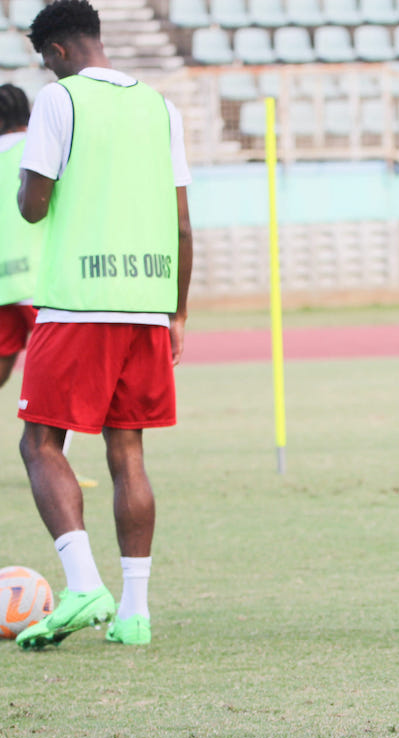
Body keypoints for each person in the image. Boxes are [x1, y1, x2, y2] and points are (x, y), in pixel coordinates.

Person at [13, 0, 193, 649]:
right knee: (127, 453)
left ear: (56, 52)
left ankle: (84, 583)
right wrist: (176, 311)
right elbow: (181, 221)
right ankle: (135, 613)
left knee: (39, 444)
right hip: (146, 303)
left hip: (78, 304)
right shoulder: (160, 107)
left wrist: (24, 191)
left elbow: (34, 206)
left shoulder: (60, 102)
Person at [0, 84, 40, 392]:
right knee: (55, 369)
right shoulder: (36, 148)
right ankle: (53, 442)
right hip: (38, 281)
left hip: (3, 285)